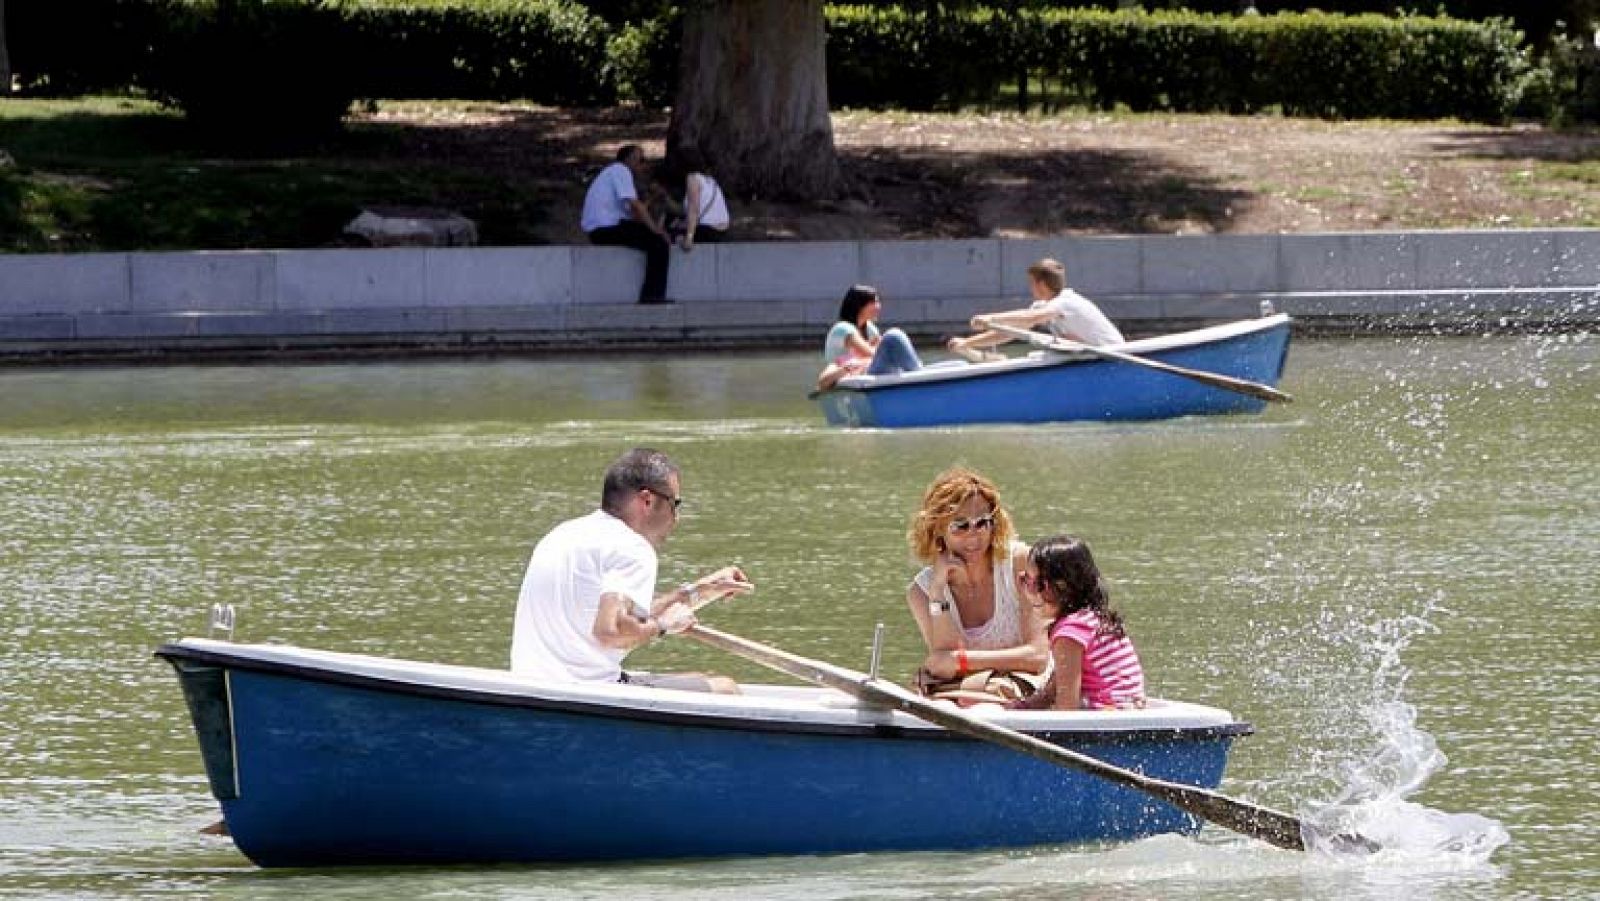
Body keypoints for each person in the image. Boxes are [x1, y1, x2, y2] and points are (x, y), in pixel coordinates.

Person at [510, 447, 753, 692]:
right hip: (589, 690)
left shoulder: (564, 534)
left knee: (700, 677)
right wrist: (662, 627)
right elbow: (611, 631)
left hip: (532, 685)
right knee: (726, 688)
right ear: (647, 500)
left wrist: (701, 591)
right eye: (674, 503)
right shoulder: (633, 547)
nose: (676, 518)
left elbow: (621, 620)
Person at [904, 467, 1050, 704]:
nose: (973, 535)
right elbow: (942, 666)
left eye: (982, 523)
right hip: (965, 690)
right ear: (938, 530)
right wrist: (938, 592)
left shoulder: (1020, 565)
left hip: (1025, 686)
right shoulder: (921, 592)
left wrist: (962, 660)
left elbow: (1037, 655)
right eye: (960, 526)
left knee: (976, 701)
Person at [1009, 535, 1146, 711]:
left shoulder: (1069, 634)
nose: (1025, 588)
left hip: (1106, 716)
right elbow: (1052, 691)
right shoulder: (1092, 620)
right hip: (1128, 710)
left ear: (1055, 587)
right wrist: (1020, 706)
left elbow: (1067, 707)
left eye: (1030, 581)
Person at [946, 258, 1124, 362]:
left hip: (1113, 357)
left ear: (1040, 284)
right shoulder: (1043, 306)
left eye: (1031, 282)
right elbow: (1011, 332)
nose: (1030, 287)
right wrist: (968, 343)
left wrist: (990, 318)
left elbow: (1030, 318)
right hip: (1088, 358)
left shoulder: (1066, 302)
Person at [582, 145, 673, 305]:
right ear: (629, 160)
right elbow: (636, 205)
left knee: (650, 238)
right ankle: (652, 295)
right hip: (606, 228)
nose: (643, 165)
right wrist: (656, 230)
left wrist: (653, 199)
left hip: (601, 229)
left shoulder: (613, 175)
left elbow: (635, 214)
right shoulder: (620, 170)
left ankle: (652, 294)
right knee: (658, 244)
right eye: (641, 160)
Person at [816, 285, 925, 391]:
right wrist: (850, 366)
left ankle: (918, 375)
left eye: (878, 302)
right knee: (893, 335)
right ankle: (921, 378)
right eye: (874, 302)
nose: (878, 306)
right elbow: (872, 353)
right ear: (859, 305)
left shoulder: (869, 328)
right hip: (860, 380)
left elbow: (880, 352)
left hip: (870, 375)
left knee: (893, 341)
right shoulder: (843, 329)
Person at [666, 146, 730, 252]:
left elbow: (693, 209)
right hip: (721, 229)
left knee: (666, 236)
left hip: (708, 231)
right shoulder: (709, 180)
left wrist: (689, 237)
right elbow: (688, 209)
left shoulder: (692, 178)